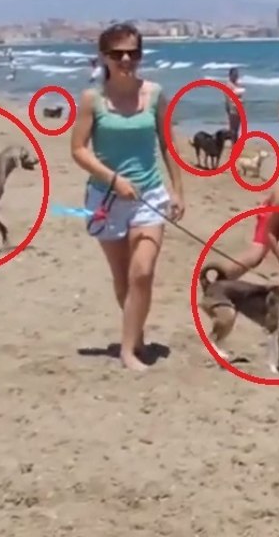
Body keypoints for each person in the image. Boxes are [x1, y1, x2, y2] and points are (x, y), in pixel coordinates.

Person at [70, 23, 186, 372]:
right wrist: (113, 178)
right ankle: (135, 335)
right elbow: (77, 150)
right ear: (103, 57)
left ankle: (127, 351)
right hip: (106, 199)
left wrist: (178, 191)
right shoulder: (93, 99)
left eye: (133, 53)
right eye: (117, 53)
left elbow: (168, 144)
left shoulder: (154, 94)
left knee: (142, 273)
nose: (126, 59)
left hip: (149, 195)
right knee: (122, 279)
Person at [225, 66, 245, 137]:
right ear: (230, 75)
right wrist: (228, 109)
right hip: (233, 109)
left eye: (237, 75)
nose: (236, 76)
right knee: (233, 129)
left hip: (239, 108)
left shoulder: (236, 84)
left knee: (236, 129)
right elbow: (227, 99)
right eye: (235, 75)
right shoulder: (229, 85)